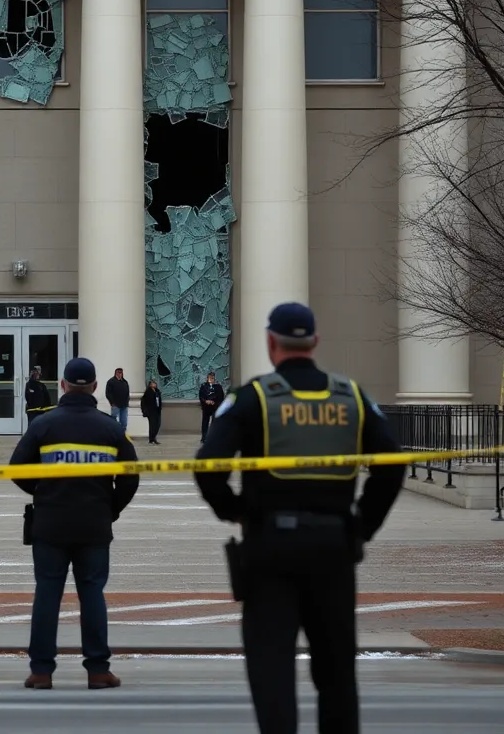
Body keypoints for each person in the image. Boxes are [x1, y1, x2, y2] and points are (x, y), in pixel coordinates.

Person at [192, 303, 405, 734]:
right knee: (337, 673)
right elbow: (393, 462)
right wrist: (362, 525)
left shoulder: (253, 397)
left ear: (271, 343)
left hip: (270, 548)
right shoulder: (351, 397)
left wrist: (234, 511)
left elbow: (208, 462)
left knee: (272, 671)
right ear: (315, 342)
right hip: (333, 548)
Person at [8, 357, 140, 690]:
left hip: (50, 523)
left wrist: (43, 493)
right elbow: (130, 478)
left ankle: (41, 671)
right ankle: (97, 670)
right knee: (92, 594)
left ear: (63, 385)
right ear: (96, 387)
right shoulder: (111, 427)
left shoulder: (44, 424)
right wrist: (111, 508)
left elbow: (17, 468)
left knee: (47, 594)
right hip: (94, 524)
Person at [199, 371, 225, 443]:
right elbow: (201, 396)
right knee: (205, 422)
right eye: (210, 377)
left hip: (215, 407)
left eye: (212, 378)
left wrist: (215, 403)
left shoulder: (218, 387)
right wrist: (206, 401)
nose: (211, 379)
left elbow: (221, 397)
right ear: (207, 378)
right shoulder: (203, 386)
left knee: (215, 423)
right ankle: (204, 437)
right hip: (206, 407)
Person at [140, 379, 162, 444]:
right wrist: (144, 410)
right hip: (151, 411)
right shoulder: (148, 392)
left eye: (155, 383)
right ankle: (152, 438)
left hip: (157, 410)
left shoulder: (157, 391)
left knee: (158, 424)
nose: (154, 384)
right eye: (153, 383)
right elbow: (143, 402)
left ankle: (153, 437)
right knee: (152, 425)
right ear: (150, 385)